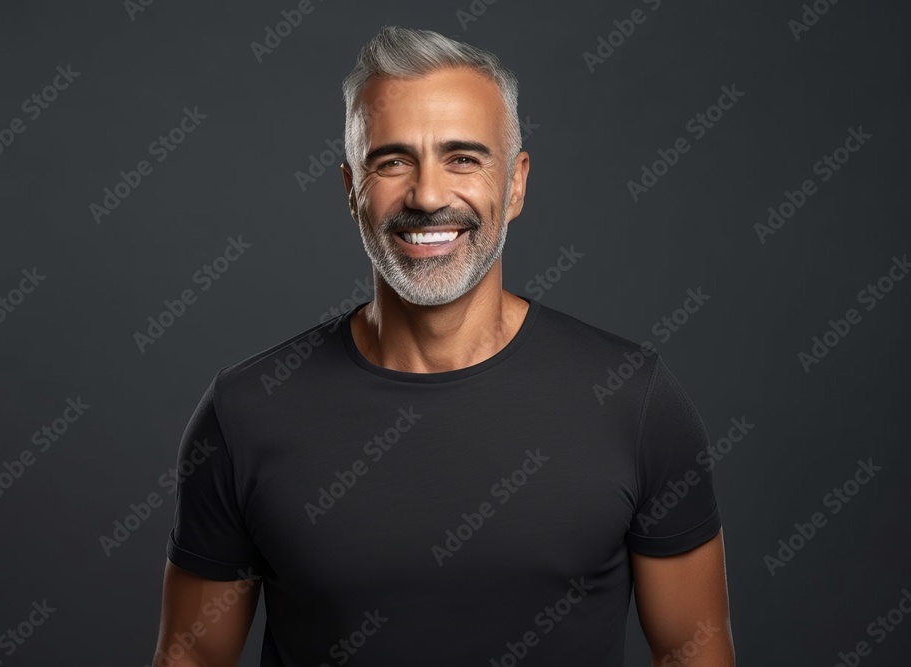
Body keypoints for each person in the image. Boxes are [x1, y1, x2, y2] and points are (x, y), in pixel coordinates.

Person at [152, 25, 735, 667]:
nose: (428, 195)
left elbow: (692, 653)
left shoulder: (636, 400)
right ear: (351, 190)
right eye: (393, 160)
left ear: (515, 185)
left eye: (463, 158)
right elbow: (193, 658)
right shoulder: (245, 413)